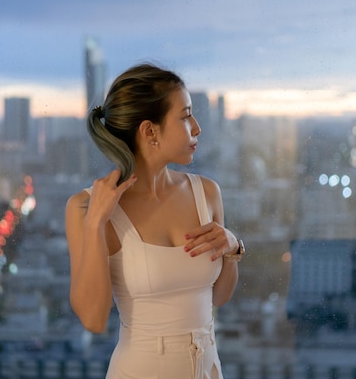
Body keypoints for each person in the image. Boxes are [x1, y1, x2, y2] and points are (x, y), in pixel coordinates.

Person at [65, 63, 245, 379]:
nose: (197, 127)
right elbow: (93, 319)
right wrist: (95, 224)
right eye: (186, 115)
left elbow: (218, 297)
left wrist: (233, 249)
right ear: (150, 130)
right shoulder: (86, 207)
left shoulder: (207, 193)